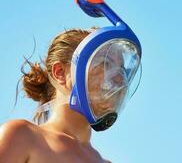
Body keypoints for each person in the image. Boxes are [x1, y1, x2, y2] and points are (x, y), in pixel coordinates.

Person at [0, 29, 113, 162]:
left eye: (122, 69)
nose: (118, 77)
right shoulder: (22, 136)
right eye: (104, 64)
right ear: (60, 72)